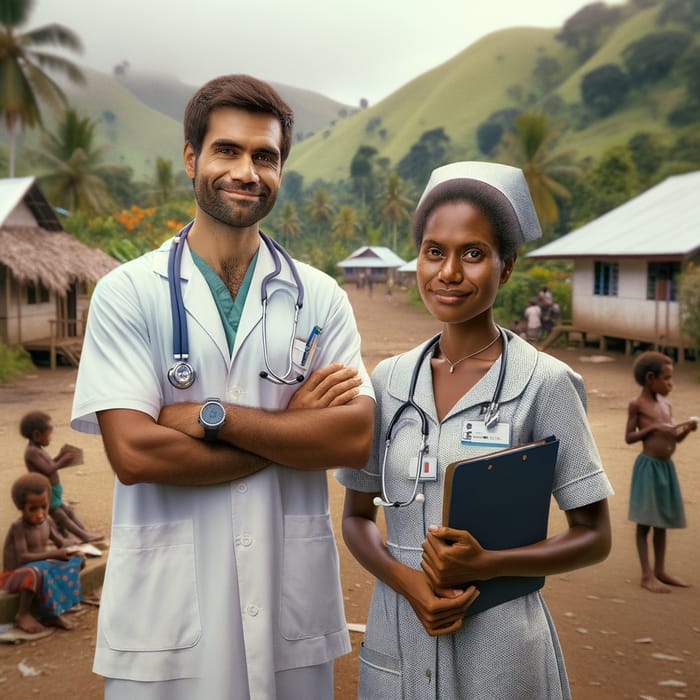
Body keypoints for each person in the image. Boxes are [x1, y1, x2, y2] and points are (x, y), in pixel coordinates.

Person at [70, 74, 375, 700]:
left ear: (281, 168)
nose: (247, 171)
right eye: (227, 151)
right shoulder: (128, 293)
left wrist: (210, 416)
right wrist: (294, 433)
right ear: (192, 158)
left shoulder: (319, 297)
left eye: (265, 156)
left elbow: (352, 437)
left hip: (288, 612)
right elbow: (135, 454)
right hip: (167, 623)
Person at [337, 161, 613, 699]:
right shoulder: (389, 382)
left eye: (473, 253)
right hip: (398, 628)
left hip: (500, 642)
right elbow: (355, 517)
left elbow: (594, 535)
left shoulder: (546, 383)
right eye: (435, 251)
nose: (449, 272)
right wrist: (410, 585)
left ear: (505, 267)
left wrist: (489, 564)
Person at [624, 351, 697, 593]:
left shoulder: (666, 405)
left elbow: (674, 437)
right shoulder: (638, 405)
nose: (671, 384)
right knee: (645, 523)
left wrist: (686, 429)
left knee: (661, 522)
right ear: (650, 378)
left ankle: (660, 570)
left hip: (667, 468)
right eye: (667, 379)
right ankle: (646, 575)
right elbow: (629, 437)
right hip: (649, 468)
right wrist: (652, 427)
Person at [1, 472, 84, 633]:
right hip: (15, 575)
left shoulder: (48, 521)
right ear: (20, 507)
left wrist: (73, 547)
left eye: (44, 507)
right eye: (32, 509)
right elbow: (24, 557)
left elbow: (61, 542)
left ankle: (56, 610)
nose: (39, 514)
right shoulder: (19, 527)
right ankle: (23, 614)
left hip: (40, 567)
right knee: (36, 571)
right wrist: (55, 554)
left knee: (76, 562)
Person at [20, 410, 103, 543]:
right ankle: (83, 536)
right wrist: (63, 460)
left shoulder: (37, 450)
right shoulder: (32, 452)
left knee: (68, 511)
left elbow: (51, 465)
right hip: (45, 491)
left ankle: (84, 532)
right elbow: (48, 469)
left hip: (53, 490)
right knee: (60, 515)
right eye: (48, 435)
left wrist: (60, 458)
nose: (50, 438)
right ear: (37, 435)